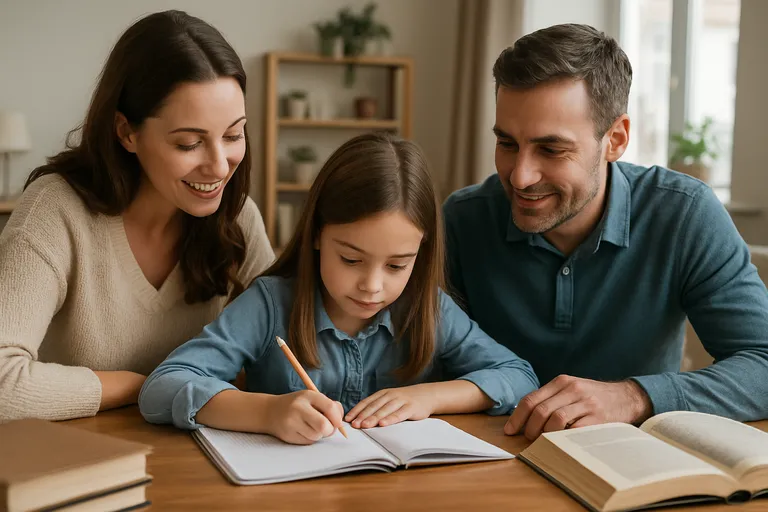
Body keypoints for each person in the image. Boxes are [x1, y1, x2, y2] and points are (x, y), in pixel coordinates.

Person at [443, 23, 768, 440]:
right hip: (493, 453)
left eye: (551, 149)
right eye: (507, 143)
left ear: (615, 139)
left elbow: (762, 363)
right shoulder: (462, 218)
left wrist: (634, 397)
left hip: (634, 464)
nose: (520, 176)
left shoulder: (685, 214)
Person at [138, 132, 539, 445]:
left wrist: (429, 398)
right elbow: (162, 386)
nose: (372, 286)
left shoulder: (428, 308)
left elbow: (519, 376)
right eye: (351, 259)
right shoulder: (271, 304)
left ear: (422, 251)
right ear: (316, 235)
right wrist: (267, 413)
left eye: (398, 264)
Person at [0, 10, 274, 423]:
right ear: (127, 132)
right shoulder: (54, 210)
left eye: (233, 135)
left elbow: (291, 343)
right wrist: (148, 385)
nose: (220, 166)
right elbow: (4, 383)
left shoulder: (237, 217)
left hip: (205, 463)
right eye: (189, 143)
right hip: (82, 467)